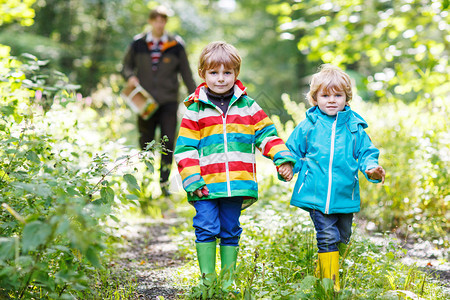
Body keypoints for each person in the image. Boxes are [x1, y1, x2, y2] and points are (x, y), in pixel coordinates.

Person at [174, 41, 295, 292]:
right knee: (206, 227)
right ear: (203, 74)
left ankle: (228, 281)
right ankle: (207, 282)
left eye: (227, 73)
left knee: (230, 230)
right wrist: (192, 179)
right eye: (214, 73)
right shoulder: (195, 110)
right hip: (205, 185)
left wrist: (281, 158)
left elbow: (267, 134)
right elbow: (185, 148)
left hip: (236, 185)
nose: (220, 79)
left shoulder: (249, 106)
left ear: (236, 74)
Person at [285, 64, 385, 291]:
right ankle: (330, 287)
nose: (331, 100)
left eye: (338, 95)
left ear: (346, 98)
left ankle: (324, 271)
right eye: (325, 95)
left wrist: (372, 169)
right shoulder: (308, 126)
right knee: (327, 236)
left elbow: (366, 153)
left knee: (342, 236)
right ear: (315, 98)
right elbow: (292, 151)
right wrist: (288, 166)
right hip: (315, 193)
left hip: (344, 195)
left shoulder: (354, 128)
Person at [121, 6, 196, 196]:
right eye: (156, 20)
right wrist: (130, 76)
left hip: (169, 102)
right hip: (145, 102)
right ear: (151, 21)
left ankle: (163, 186)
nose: (159, 24)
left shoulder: (176, 45)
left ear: (165, 22)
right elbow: (125, 67)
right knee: (145, 142)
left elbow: (186, 74)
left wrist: (196, 97)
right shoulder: (138, 43)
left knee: (168, 143)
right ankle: (145, 183)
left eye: (163, 20)